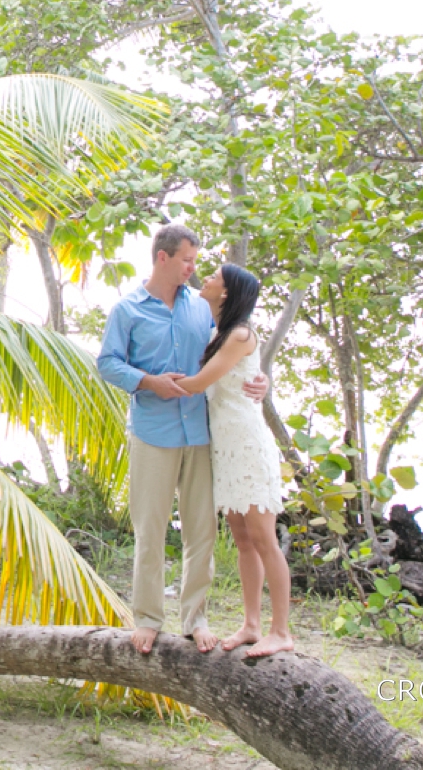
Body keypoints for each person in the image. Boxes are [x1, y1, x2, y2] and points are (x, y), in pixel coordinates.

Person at [97, 225, 269, 655]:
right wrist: (148, 381)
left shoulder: (202, 307)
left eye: (196, 261)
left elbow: (234, 349)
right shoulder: (127, 310)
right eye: (188, 260)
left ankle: (196, 618)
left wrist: (260, 381)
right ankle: (149, 619)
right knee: (150, 531)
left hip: (200, 433)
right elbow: (107, 363)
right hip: (153, 434)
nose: (194, 268)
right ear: (163, 258)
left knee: (201, 533)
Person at [176, 263, 293, 658]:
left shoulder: (240, 334)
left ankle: (281, 630)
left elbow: (198, 383)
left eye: (214, 278)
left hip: (247, 445)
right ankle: (251, 625)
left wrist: (143, 381)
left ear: (226, 293)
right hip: (225, 448)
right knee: (243, 541)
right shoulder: (216, 332)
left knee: (264, 540)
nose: (205, 280)